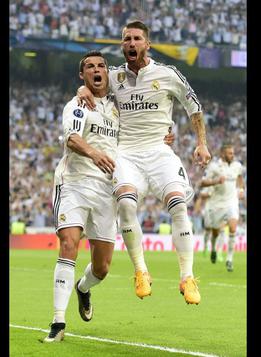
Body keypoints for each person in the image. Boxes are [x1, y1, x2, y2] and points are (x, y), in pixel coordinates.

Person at [45, 50, 176, 342]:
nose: (96, 70)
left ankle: (83, 288)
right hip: (75, 183)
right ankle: (57, 322)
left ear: (107, 72)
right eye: (89, 67)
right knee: (68, 244)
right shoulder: (78, 104)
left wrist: (163, 138)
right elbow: (72, 138)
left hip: (107, 189)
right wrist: (94, 153)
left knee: (102, 268)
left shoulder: (120, 108)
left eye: (101, 66)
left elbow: (143, 130)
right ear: (82, 75)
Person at [77, 20, 211, 305]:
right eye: (126, 39)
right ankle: (141, 271)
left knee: (178, 203)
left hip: (159, 151)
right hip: (125, 152)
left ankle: (187, 277)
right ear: (122, 45)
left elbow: (194, 107)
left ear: (147, 44)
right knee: (126, 203)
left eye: (137, 39)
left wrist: (201, 143)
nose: (131, 44)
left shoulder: (167, 73)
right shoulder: (114, 76)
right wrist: (82, 91)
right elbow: (92, 84)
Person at [200, 144, 246, 272]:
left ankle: (229, 259)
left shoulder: (237, 166)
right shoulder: (214, 167)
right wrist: (216, 181)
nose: (232, 155)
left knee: (232, 228)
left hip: (232, 202)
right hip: (216, 204)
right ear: (223, 154)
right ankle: (213, 248)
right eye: (229, 153)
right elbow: (203, 182)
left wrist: (241, 189)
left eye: (233, 153)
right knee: (215, 232)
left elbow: (240, 178)